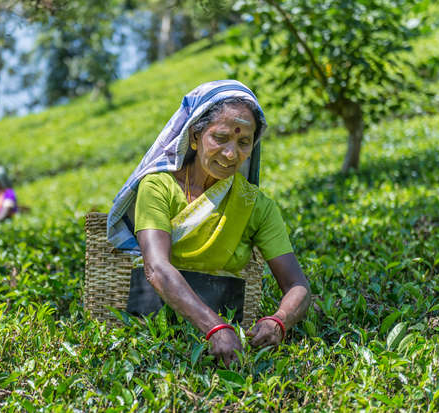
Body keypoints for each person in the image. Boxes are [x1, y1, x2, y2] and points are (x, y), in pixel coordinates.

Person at [107, 80, 311, 367]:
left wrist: (278, 321)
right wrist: (214, 327)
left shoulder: (257, 206)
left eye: (243, 142)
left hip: (228, 345)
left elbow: (298, 285)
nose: (230, 154)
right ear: (194, 137)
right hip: (151, 339)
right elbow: (156, 268)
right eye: (220, 137)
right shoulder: (158, 187)